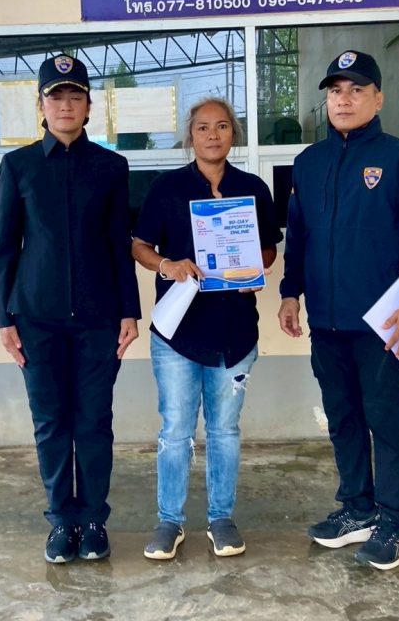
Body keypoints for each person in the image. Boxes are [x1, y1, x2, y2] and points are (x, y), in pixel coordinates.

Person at [277, 50, 399, 570]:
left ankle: (398, 522)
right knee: (343, 416)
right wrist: (290, 292)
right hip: (327, 321)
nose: (344, 99)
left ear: (378, 98)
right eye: (336, 91)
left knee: (385, 418)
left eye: (356, 90)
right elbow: (299, 238)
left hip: (384, 323)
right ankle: (358, 509)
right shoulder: (309, 163)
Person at [0, 54, 140, 564]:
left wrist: (129, 311)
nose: (66, 106)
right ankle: (61, 521)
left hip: (99, 320)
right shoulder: (19, 166)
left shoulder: (111, 167)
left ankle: (93, 520)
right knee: (51, 423)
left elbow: (119, 244)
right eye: (56, 97)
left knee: (93, 422)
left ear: (89, 106)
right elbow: (6, 249)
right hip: (36, 319)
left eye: (76, 96)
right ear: (41, 106)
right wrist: (3, 318)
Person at [132, 98, 281, 560]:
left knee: (225, 431)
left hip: (235, 333)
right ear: (190, 135)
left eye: (221, 126)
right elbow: (139, 246)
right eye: (202, 127)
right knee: (176, 430)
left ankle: (221, 519)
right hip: (178, 333)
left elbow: (269, 248)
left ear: (233, 133)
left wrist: (254, 269)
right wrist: (168, 265)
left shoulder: (252, 188)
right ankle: (169, 521)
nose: (213, 135)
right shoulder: (167, 188)